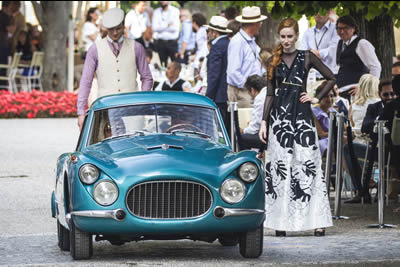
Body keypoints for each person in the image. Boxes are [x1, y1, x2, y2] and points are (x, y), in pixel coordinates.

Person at [259, 18, 335, 236]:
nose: (286, 41)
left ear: (296, 36)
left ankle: (317, 221)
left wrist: (315, 97)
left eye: (289, 36)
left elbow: (331, 77)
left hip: (302, 119)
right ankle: (280, 222)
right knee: (280, 169)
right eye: (282, 36)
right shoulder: (273, 60)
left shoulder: (307, 56)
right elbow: (270, 93)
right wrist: (264, 122)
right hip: (279, 121)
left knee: (307, 165)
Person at [77, 8, 153, 129]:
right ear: (106, 29)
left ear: (123, 25)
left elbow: (147, 77)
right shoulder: (95, 49)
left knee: (135, 145)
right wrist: (81, 112)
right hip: (106, 109)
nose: (115, 33)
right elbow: (86, 81)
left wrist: (142, 100)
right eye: (111, 29)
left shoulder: (137, 47)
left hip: (132, 109)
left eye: (118, 28)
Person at [345, 78, 397, 203]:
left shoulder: (397, 107)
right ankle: (362, 190)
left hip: (394, 150)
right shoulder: (374, 107)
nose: (390, 97)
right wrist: (381, 119)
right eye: (386, 94)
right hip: (377, 149)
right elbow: (365, 126)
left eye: (392, 94)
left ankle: (380, 189)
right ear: (380, 95)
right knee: (347, 148)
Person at [343, 74, 380, 203]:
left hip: (360, 145)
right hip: (375, 145)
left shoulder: (353, 105)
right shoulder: (379, 103)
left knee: (347, 149)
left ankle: (360, 188)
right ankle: (365, 185)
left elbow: (351, 125)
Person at [334, 15, 381, 102]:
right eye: (339, 28)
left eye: (345, 28)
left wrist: (365, 88)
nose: (342, 31)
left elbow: (375, 67)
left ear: (353, 29)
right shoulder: (340, 44)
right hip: (342, 93)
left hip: (357, 94)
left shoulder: (362, 44)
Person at [227, 6, 267, 109]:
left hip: (251, 90)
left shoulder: (251, 41)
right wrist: (249, 87)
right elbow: (233, 72)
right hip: (243, 92)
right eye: (260, 23)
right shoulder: (238, 42)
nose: (260, 26)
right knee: (245, 122)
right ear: (254, 24)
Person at [205, 16, 231, 128]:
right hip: (227, 92)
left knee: (218, 128)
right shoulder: (229, 43)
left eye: (208, 31)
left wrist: (208, 97)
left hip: (218, 95)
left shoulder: (217, 46)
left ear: (214, 32)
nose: (207, 34)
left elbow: (214, 74)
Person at [239, 75, 266, 150]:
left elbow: (254, 129)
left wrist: (243, 130)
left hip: (267, 136)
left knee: (241, 137)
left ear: (253, 90)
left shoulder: (259, 98)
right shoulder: (267, 92)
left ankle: (247, 160)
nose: (250, 95)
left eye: (249, 92)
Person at [152, 1, 180, 67]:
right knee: (163, 65)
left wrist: (161, 27)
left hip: (172, 43)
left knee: (175, 65)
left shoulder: (175, 11)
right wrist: (167, 25)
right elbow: (154, 28)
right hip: (160, 43)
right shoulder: (156, 12)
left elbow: (174, 28)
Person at [312, 82, 336, 156]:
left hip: (332, 138)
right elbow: (321, 134)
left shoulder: (333, 111)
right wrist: (338, 134)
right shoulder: (314, 112)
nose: (329, 99)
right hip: (319, 142)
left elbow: (344, 128)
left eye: (331, 96)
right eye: (326, 96)